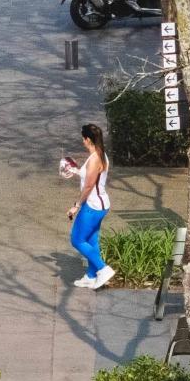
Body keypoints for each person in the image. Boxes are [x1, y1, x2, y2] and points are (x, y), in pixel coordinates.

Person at [68, 122, 114, 290]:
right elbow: (89, 177)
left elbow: (88, 186)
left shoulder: (95, 159)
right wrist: (75, 171)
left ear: (87, 139)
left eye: (83, 139)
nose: (82, 142)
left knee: (77, 240)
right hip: (101, 204)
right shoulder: (99, 154)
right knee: (91, 240)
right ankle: (91, 276)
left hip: (93, 206)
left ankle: (103, 269)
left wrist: (76, 205)